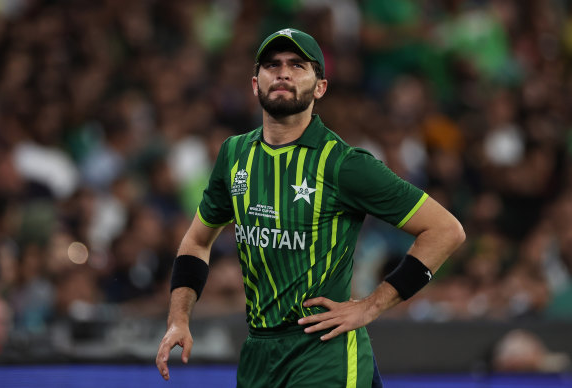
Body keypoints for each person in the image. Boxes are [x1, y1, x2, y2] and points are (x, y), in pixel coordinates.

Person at [156, 28, 465, 387]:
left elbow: (446, 230)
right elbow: (196, 242)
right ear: (255, 84)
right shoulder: (234, 154)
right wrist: (178, 318)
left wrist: (371, 305)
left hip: (324, 353)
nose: (283, 73)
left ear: (320, 87)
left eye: (297, 65)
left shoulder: (345, 164)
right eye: (273, 65)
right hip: (259, 352)